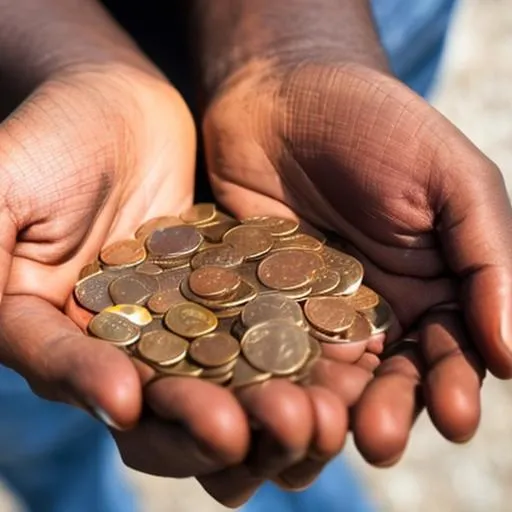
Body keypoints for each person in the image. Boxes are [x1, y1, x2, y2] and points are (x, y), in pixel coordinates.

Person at [0, 0, 510, 511]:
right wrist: (63, 52)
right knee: (47, 412)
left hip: (340, 41)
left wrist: (297, 37)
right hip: (25, 75)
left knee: (291, 426)